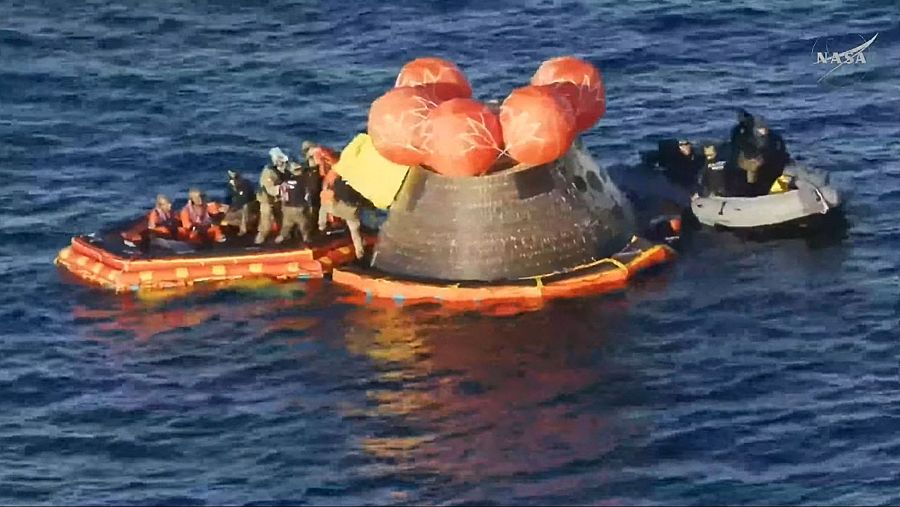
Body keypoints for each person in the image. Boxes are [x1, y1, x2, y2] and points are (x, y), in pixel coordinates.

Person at [730, 110, 791, 196]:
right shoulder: (740, 134)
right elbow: (740, 147)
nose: (763, 132)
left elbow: (779, 153)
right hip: (750, 161)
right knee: (752, 171)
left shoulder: (773, 138)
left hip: (769, 163)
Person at [319, 172, 368, 260]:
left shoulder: (338, 182)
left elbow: (331, 195)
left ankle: (322, 227)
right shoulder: (358, 183)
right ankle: (360, 253)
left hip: (338, 209)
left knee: (324, 205)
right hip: (351, 212)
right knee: (355, 232)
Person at [275, 162, 316, 244]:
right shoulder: (303, 181)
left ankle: (279, 240)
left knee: (286, 226)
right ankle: (306, 240)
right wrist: (309, 206)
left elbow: (282, 194)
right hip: (298, 208)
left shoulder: (285, 181)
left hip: (287, 207)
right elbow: (307, 195)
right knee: (304, 223)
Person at [255, 147, 290, 244]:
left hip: (278, 200)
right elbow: (270, 189)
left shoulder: (284, 171)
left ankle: (285, 236)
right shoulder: (268, 173)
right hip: (267, 200)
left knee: (281, 218)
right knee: (266, 223)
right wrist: (283, 188)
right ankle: (260, 239)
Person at [221, 169, 255, 236]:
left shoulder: (246, 185)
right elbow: (228, 200)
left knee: (245, 209)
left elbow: (246, 202)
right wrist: (226, 208)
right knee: (222, 216)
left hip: (248, 211)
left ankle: (243, 228)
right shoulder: (230, 186)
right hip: (236, 210)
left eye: (235, 179)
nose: (232, 181)